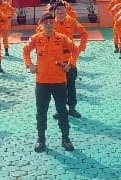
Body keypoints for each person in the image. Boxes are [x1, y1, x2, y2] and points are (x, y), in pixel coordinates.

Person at [23, 13, 78, 152]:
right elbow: (25, 51)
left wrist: (70, 64)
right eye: (45, 22)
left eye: (51, 22)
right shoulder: (35, 39)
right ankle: (41, 139)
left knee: (62, 111)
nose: (48, 24)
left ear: (54, 24)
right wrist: (30, 65)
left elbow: (75, 50)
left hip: (59, 81)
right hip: (42, 82)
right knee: (41, 112)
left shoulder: (62, 38)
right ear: (41, 24)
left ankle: (66, 138)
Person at [49, 1, 87, 117]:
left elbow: (84, 33)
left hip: (69, 57)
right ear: (54, 12)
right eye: (57, 10)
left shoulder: (72, 21)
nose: (60, 11)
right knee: (58, 87)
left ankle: (72, 108)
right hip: (56, 60)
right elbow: (40, 35)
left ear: (66, 10)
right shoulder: (49, 23)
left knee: (71, 85)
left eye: (62, 9)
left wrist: (80, 48)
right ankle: (60, 109)